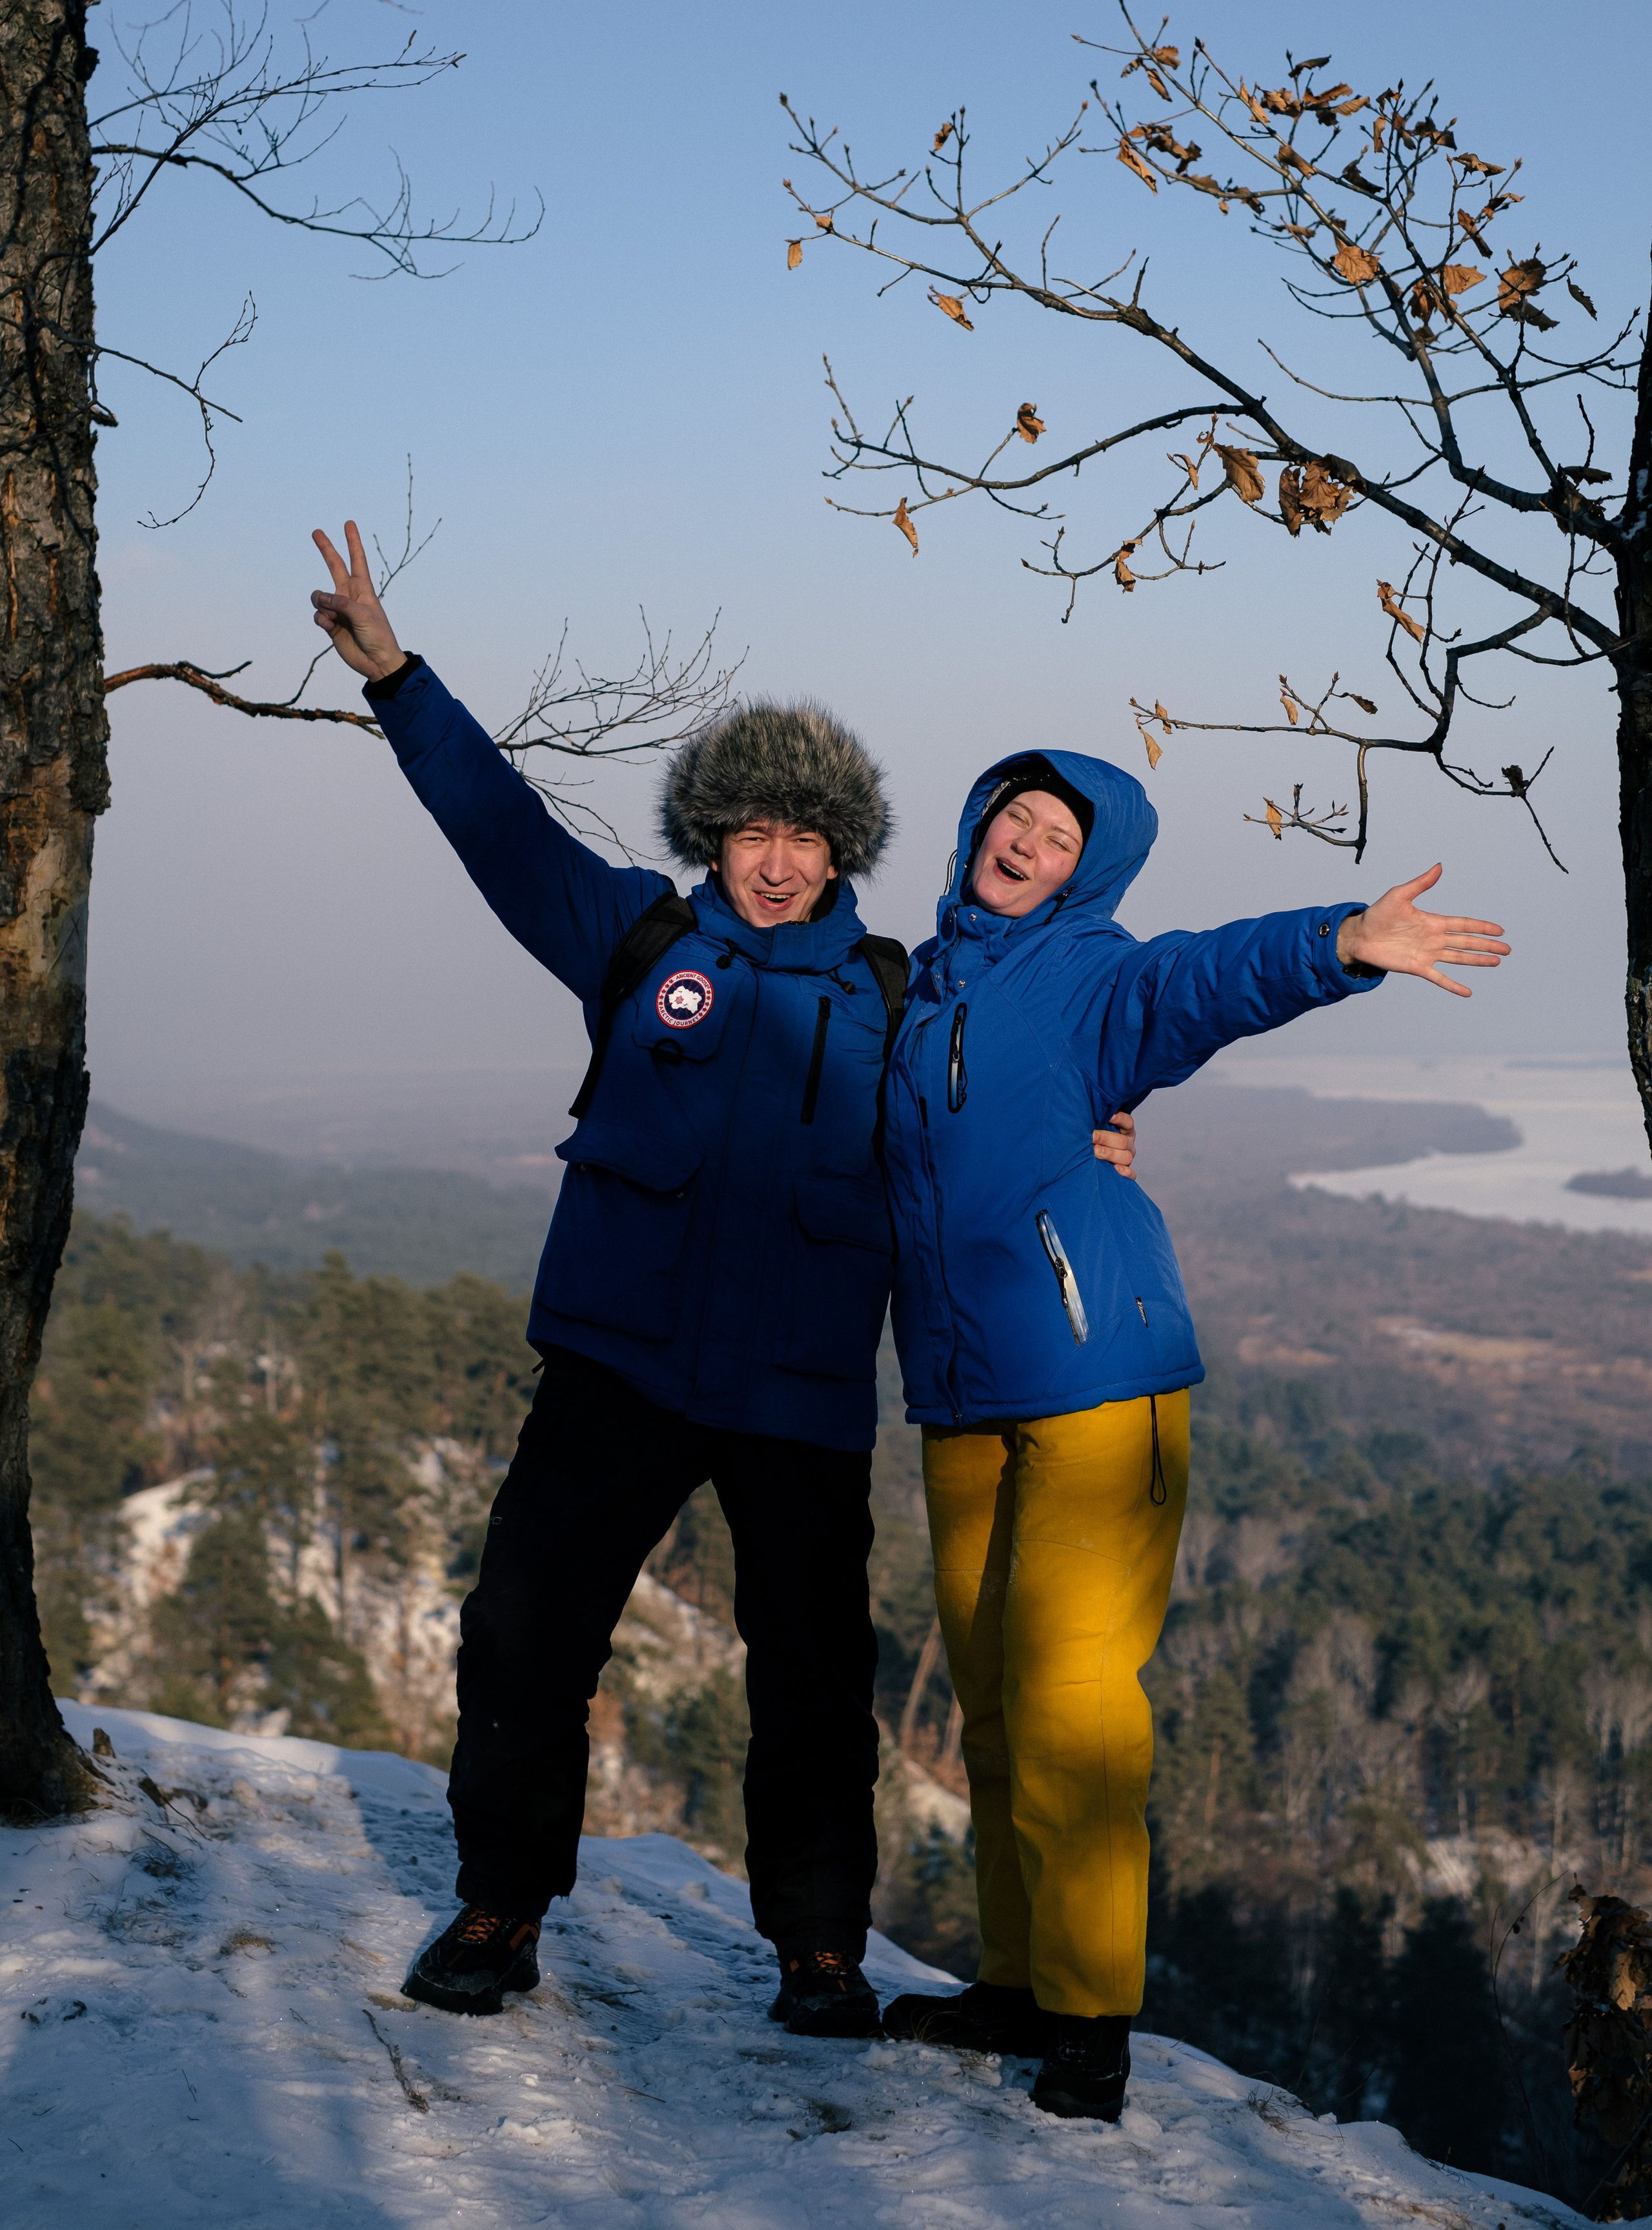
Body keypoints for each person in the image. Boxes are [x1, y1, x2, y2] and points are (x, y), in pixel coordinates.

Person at [305, 524, 1139, 2034]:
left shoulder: (896, 995)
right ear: (714, 835)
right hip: (618, 1362)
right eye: (751, 828)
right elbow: (500, 831)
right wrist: (398, 681)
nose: (776, 859)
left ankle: (819, 1947)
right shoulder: (631, 936)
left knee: (816, 1679)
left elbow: (993, 1099)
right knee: (522, 1634)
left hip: (801, 1390)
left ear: (843, 855)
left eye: (805, 837)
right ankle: (499, 1906)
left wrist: (1085, 1144)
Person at [873, 753, 1509, 2122]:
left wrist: (1337, 941)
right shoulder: (925, 989)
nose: (1024, 841)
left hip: (1096, 1379)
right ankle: (1012, 1983)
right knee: (989, 1708)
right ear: (976, 825)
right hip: (960, 1390)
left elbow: (1198, 981)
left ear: (1085, 871)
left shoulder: (1094, 975)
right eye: (1013, 817)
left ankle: (1089, 2022)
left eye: (1055, 835)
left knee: (1072, 1712)